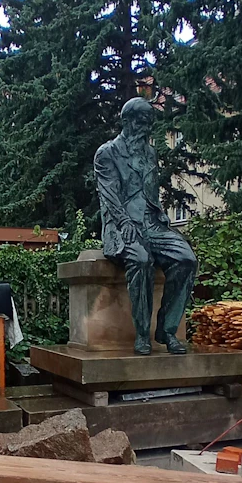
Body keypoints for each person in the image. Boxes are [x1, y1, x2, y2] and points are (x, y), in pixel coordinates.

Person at [94, 97, 197, 355]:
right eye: (141, 122)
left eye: (149, 124)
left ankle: (167, 330)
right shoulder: (107, 153)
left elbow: (150, 193)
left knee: (186, 259)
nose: (146, 129)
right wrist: (124, 221)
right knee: (141, 260)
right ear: (126, 121)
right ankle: (142, 333)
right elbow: (109, 194)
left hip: (152, 223)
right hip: (122, 225)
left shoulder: (150, 153)